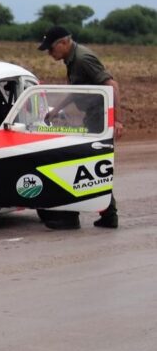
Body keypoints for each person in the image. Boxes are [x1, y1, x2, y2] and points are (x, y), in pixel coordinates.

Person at [37, 25, 122, 229]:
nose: (50, 53)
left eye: (51, 48)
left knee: (83, 163)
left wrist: (116, 120)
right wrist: (55, 110)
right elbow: (76, 90)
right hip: (92, 117)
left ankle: (71, 216)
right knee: (87, 164)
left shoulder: (83, 59)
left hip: (98, 118)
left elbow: (112, 85)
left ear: (64, 43)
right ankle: (107, 215)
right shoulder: (72, 60)